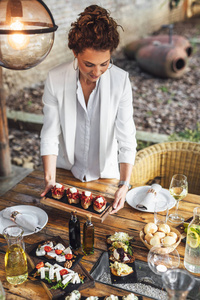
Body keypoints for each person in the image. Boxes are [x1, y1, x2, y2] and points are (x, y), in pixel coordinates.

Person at [40, 5, 137, 214]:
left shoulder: (121, 82)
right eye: (89, 64)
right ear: (75, 53)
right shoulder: (55, 79)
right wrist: (50, 180)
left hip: (108, 176)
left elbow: (127, 138)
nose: (97, 72)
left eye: (104, 63)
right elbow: (50, 134)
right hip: (65, 172)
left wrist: (124, 184)